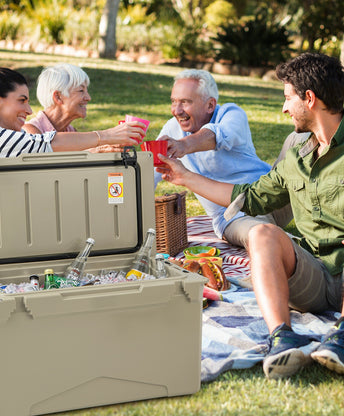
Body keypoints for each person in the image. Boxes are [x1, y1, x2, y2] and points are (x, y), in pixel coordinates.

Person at [157, 53, 344, 379]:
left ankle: (341, 338)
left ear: (309, 99)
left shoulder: (231, 115)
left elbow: (215, 137)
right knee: (261, 233)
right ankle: (283, 338)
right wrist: (183, 177)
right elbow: (253, 196)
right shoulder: (298, 149)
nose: (284, 108)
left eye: (288, 98)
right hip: (314, 274)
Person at [0, 67, 145, 310]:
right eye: (21, 101)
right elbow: (45, 143)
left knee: (3, 282)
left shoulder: (5, 138)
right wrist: (106, 135)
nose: (29, 110)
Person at [153, 69, 295, 250]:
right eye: (173, 101)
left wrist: (183, 145)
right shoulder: (171, 129)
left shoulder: (232, 114)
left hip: (271, 195)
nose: (177, 110)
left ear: (210, 105)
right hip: (234, 216)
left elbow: (217, 136)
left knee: (299, 138)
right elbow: (150, 175)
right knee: (263, 237)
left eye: (185, 102)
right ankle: (300, 249)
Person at [23, 63, 128, 152]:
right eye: (81, 91)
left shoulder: (71, 132)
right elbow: (50, 164)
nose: (88, 98)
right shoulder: (31, 132)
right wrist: (96, 149)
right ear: (58, 97)